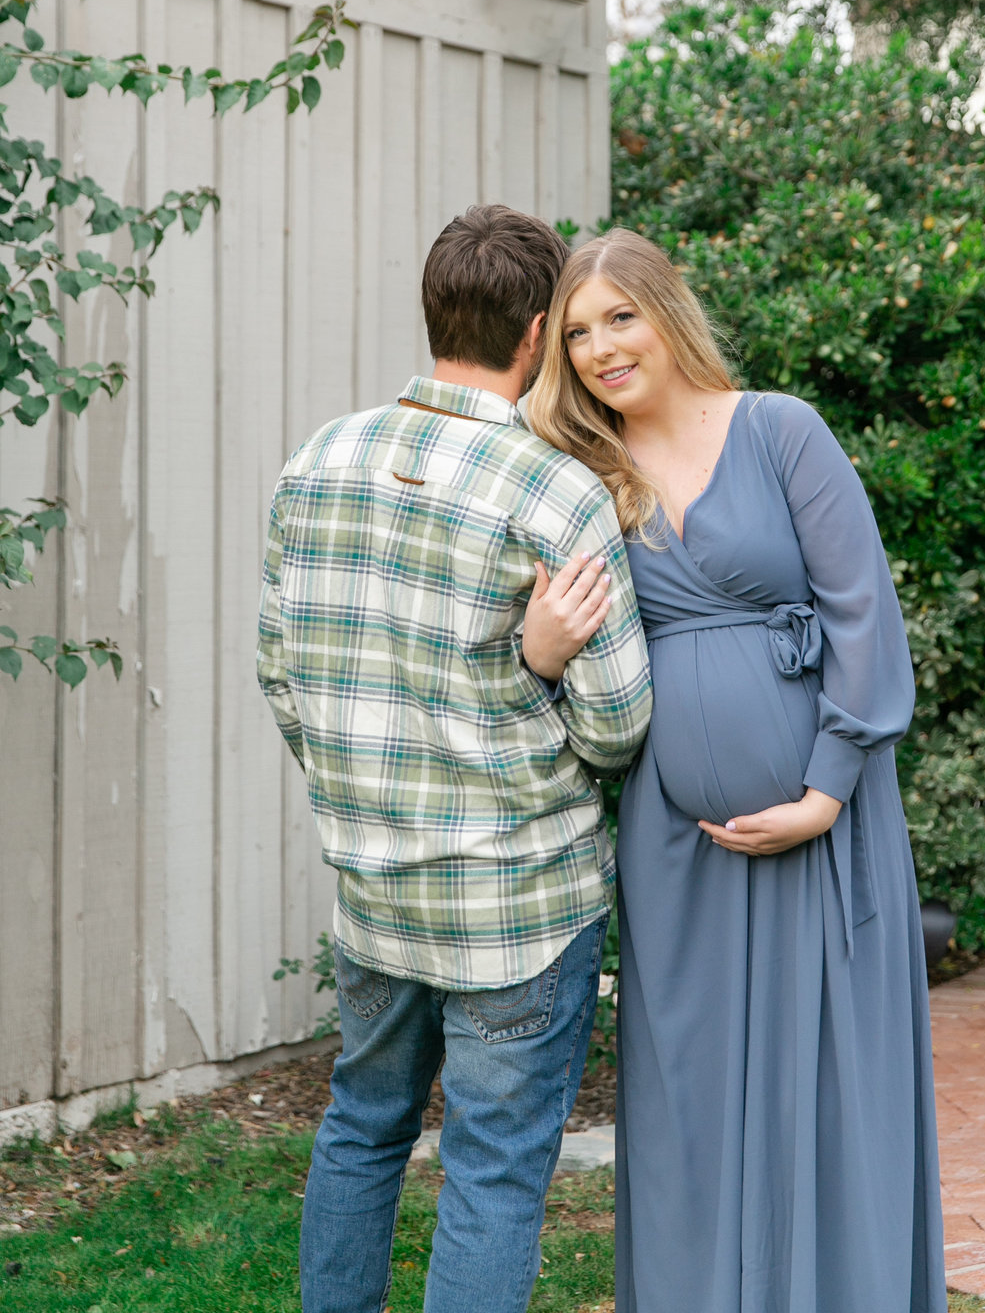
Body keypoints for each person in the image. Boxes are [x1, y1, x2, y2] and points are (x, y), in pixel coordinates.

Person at [527, 227, 947, 1313]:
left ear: (667, 311)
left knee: (829, 1087)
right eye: (577, 332)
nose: (602, 347)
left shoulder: (779, 432)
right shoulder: (580, 474)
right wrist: (541, 651)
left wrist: (826, 788)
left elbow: (862, 611)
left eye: (620, 316)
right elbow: (550, 637)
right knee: (690, 1098)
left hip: (825, 822)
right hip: (679, 850)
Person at [257, 204, 653, 1313]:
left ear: (436, 311)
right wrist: (535, 675)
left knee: (361, 1129)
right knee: (493, 1173)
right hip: (520, 905)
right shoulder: (555, 491)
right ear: (536, 334)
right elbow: (619, 724)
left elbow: (281, 676)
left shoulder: (318, 460)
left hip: (375, 886)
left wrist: (363, 789)